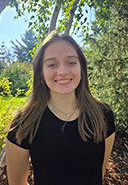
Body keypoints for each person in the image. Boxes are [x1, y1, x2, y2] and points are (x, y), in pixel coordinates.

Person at [6, 31, 115, 185]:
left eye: (71, 62)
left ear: (82, 69)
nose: (63, 71)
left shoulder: (103, 115)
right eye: (52, 64)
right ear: (41, 73)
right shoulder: (25, 122)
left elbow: (99, 174)